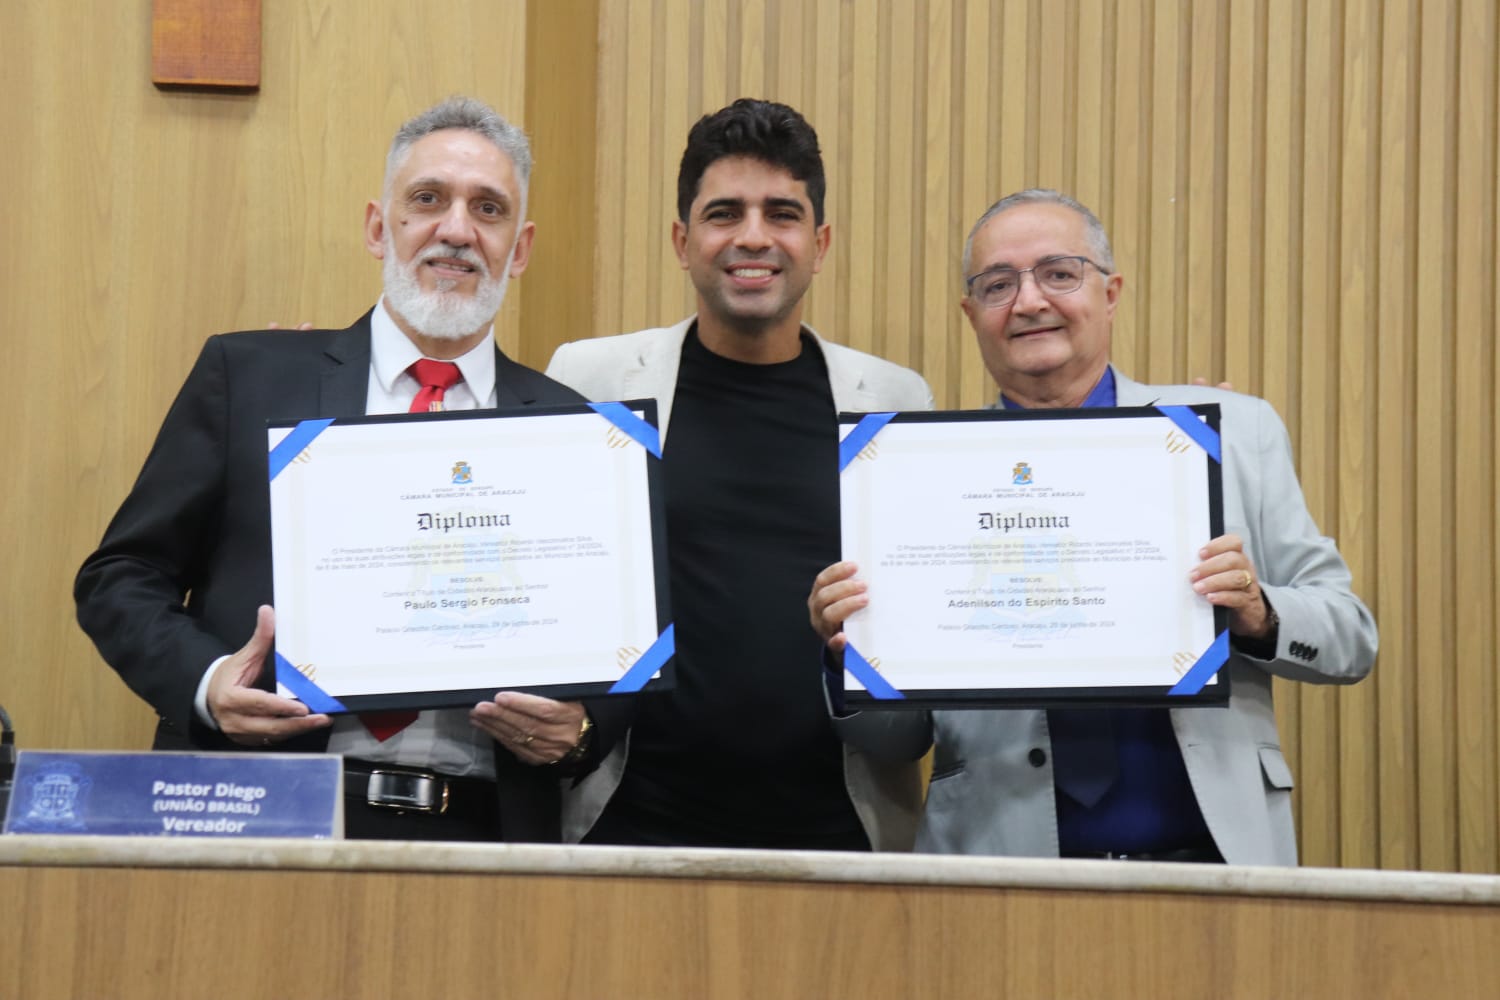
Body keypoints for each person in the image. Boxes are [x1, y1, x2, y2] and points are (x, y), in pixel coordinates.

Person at [75, 96, 598, 842]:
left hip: (486, 833)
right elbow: (121, 576)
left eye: (488, 209)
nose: (456, 230)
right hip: (265, 814)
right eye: (428, 200)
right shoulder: (249, 378)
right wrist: (208, 682)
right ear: (379, 228)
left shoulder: (572, 429)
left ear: (519, 248)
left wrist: (581, 730)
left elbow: (612, 639)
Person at [809, 189, 1378, 865]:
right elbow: (896, 743)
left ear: (1110, 293)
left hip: (1216, 864)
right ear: (972, 314)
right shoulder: (919, 475)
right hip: (1001, 870)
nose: (1029, 302)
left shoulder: (1230, 435)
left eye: (1059, 273)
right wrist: (851, 657)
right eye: (998, 284)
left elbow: (1350, 638)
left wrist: (1259, 613)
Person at [543, 99, 933, 850]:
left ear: (819, 243)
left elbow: (913, 691)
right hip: (626, 829)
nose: (754, 236)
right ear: (682, 240)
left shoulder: (894, 401)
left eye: (782, 213)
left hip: (838, 834)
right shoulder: (591, 381)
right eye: (724, 213)